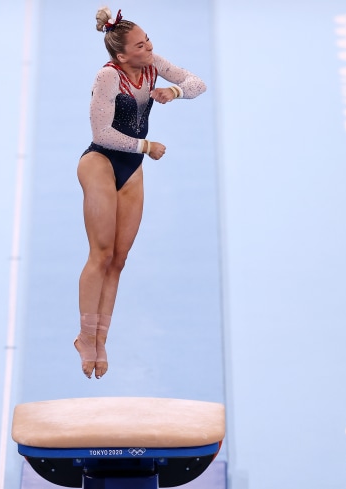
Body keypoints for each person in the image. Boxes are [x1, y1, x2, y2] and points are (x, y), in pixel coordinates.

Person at [74, 7, 206, 379]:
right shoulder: (108, 77)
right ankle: (86, 338)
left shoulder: (151, 65)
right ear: (121, 55)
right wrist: (146, 147)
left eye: (147, 40)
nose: (149, 47)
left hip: (131, 171)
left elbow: (197, 83)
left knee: (119, 257)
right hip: (101, 162)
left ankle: (101, 339)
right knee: (100, 254)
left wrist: (174, 90)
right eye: (140, 45)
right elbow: (102, 135)